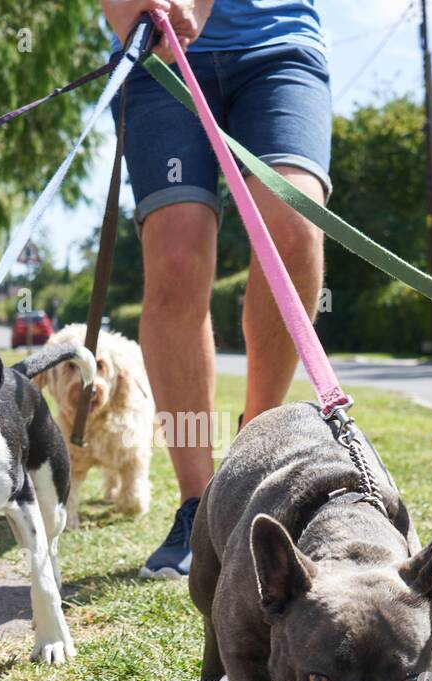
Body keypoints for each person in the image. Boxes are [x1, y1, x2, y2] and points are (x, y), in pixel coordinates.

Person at [100, 0, 331, 579]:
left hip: (277, 46)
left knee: (294, 229)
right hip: (160, 61)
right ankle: (199, 508)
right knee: (177, 259)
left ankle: (251, 472)